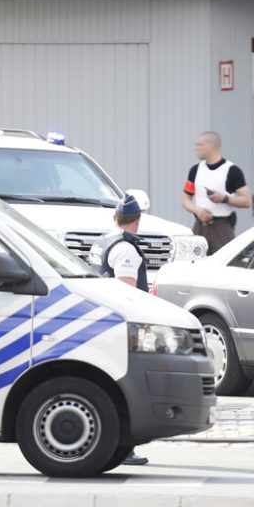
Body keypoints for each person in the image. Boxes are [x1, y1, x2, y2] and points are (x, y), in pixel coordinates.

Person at [89, 194, 149, 467]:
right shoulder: (125, 248)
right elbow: (127, 292)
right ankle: (125, 448)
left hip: (100, 323)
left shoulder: (101, 242)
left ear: (115, 218)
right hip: (120, 327)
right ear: (136, 222)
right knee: (128, 388)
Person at [181, 132, 252, 254]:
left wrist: (224, 198)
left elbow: (246, 201)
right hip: (199, 227)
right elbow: (186, 200)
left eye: (200, 145)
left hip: (222, 228)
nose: (196, 148)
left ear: (211, 146)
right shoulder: (195, 170)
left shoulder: (232, 170)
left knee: (223, 264)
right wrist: (197, 211)